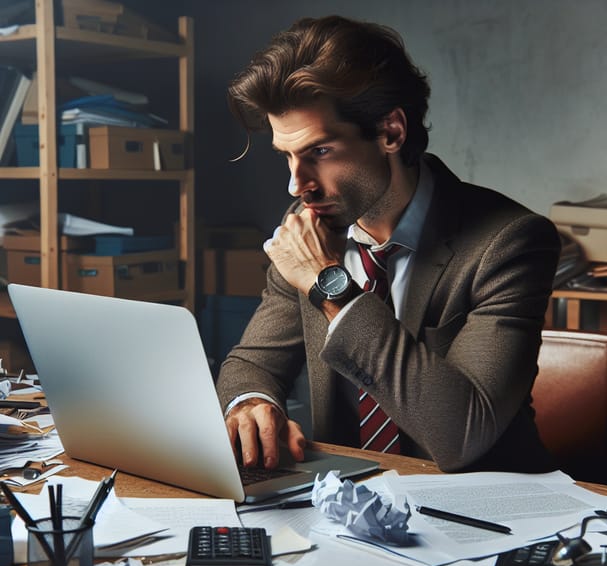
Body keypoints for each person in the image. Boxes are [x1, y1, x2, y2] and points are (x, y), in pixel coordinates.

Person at [217, 15, 561, 474]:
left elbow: (462, 434)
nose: (296, 185)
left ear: (391, 133)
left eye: (319, 152)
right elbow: (252, 363)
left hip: (481, 511)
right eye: (287, 156)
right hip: (347, 505)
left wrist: (329, 282)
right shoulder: (307, 229)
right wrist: (251, 404)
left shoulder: (509, 243)